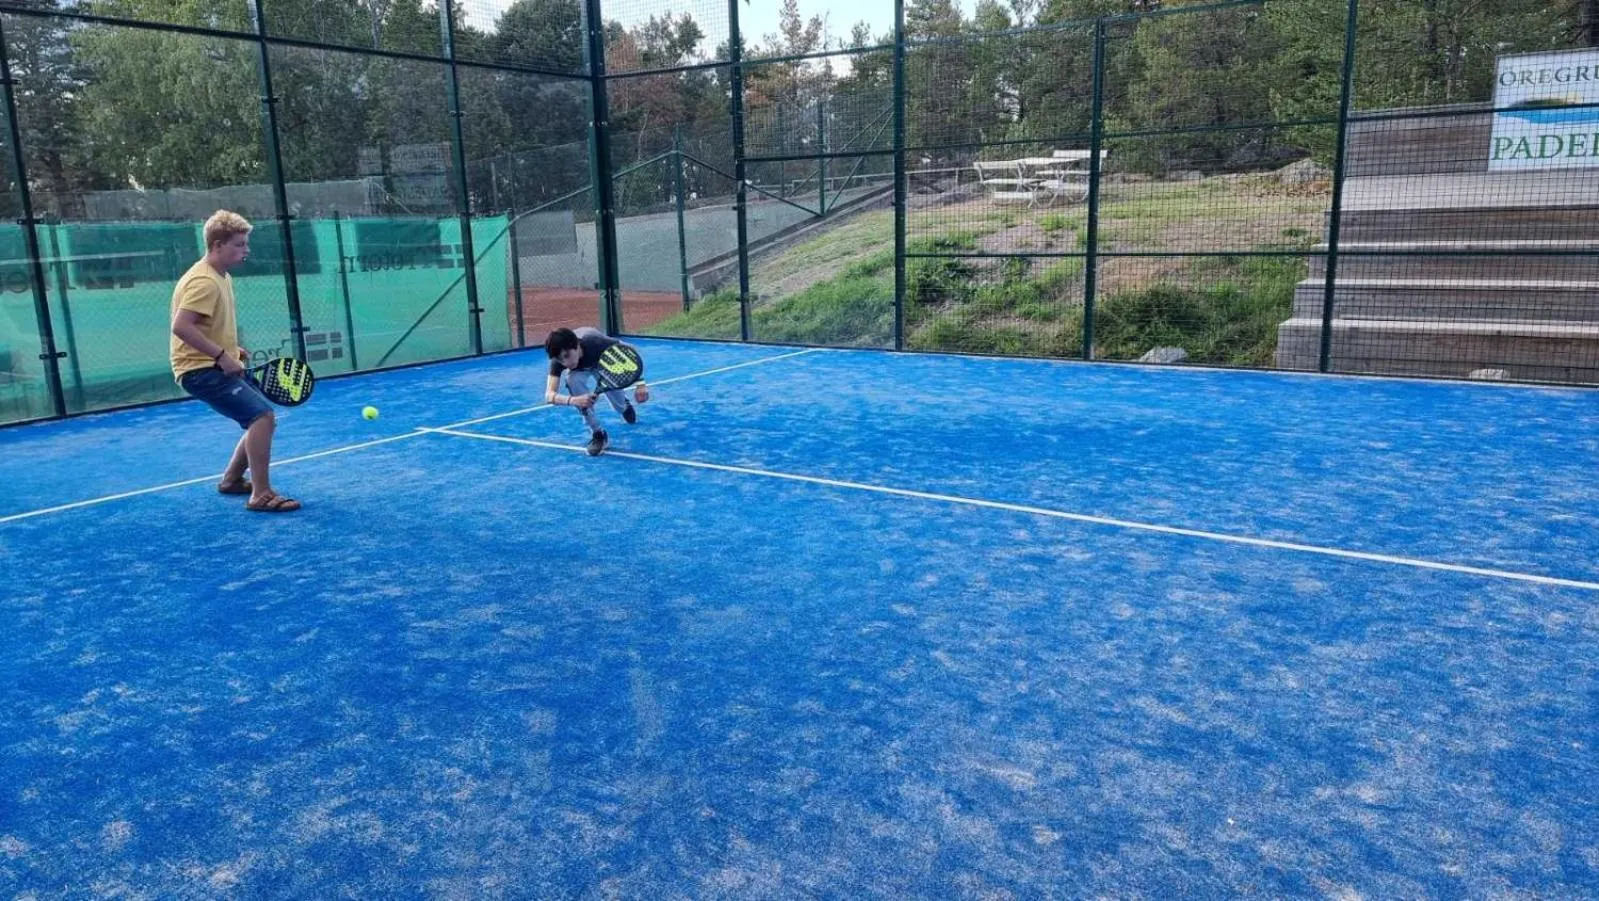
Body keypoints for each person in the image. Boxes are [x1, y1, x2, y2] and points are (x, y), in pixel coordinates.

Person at [170, 210, 300, 512]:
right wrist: (220, 356)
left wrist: (231, 349)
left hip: (212, 363)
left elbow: (205, 325)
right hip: (200, 370)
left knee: (261, 418)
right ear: (217, 245)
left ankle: (231, 480)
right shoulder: (203, 282)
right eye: (239, 245)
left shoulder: (220, 276)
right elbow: (181, 326)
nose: (246, 250)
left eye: (246, 244)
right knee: (261, 418)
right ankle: (261, 494)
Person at [543, 326, 650, 456]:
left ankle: (624, 406)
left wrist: (641, 384)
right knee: (572, 381)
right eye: (560, 359)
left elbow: (631, 351)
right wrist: (575, 400)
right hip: (579, 371)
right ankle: (598, 434)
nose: (565, 363)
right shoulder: (558, 359)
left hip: (602, 363)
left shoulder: (595, 342)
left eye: (567, 356)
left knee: (619, 407)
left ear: (576, 345)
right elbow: (549, 396)